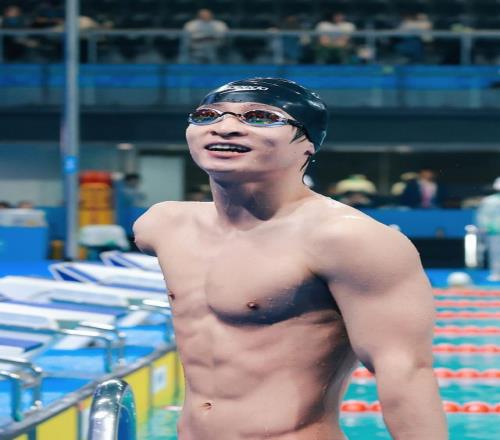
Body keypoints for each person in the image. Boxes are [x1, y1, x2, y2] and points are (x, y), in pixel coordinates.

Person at [134, 78, 447, 439]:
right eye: (207, 115)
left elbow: (405, 373)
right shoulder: (163, 227)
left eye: (260, 117)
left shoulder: (350, 240)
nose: (225, 127)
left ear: (308, 145)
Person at [476, 177, 500, 280]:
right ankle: (496, 273)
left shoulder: (488, 201)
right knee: (496, 253)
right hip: (495, 232)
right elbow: (482, 217)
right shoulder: (489, 201)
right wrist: (485, 228)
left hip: (494, 231)